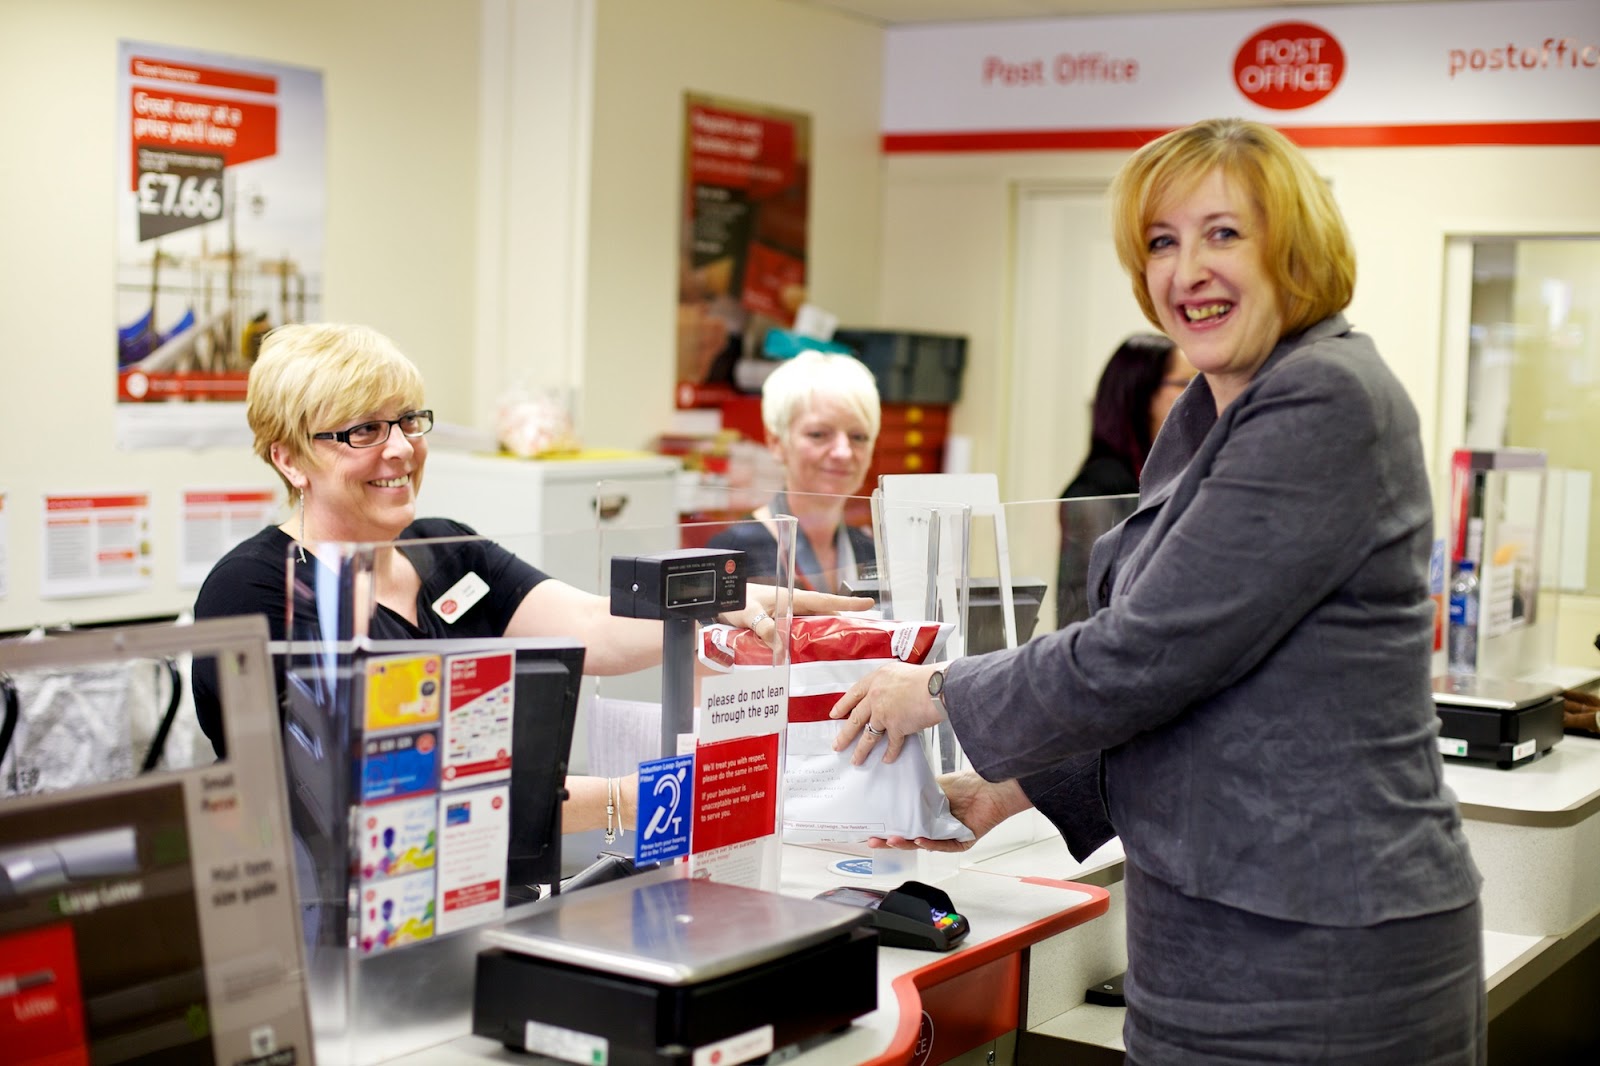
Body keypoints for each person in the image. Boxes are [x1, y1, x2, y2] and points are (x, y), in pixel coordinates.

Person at [830, 118, 1484, 1063]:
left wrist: (935, 691)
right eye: (1162, 243)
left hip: (1318, 939)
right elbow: (1203, 683)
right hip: (1208, 923)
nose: (1188, 270)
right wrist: (1012, 790)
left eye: (1224, 233)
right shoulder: (1209, 406)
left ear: (1294, 246)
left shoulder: (1325, 398)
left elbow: (1146, 650)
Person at [192, 322, 867, 835]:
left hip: (481, 891)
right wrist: (632, 801)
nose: (399, 449)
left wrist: (722, 603)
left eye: (407, 421)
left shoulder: (447, 551)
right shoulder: (254, 591)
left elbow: (591, 626)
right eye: (361, 431)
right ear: (289, 458)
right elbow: (370, 786)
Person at [707, 350, 880, 592]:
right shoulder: (732, 555)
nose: (844, 452)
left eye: (859, 437)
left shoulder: (871, 552)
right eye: (819, 434)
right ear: (777, 443)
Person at [1056, 334, 1194, 626]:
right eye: (1186, 384)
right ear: (1140, 395)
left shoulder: (1165, 477)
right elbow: (1084, 611)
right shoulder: (1097, 489)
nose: (1198, 396)